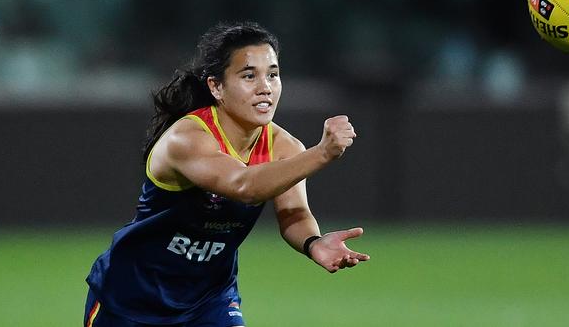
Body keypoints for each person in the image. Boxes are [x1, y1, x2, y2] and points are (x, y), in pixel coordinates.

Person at [84, 21, 370, 327]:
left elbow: (293, 214)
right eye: (249, 75)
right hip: (131, 299)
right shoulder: (188, 138)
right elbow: (244, 184)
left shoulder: (284, 146)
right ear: (216, 87)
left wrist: (313, 242)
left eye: (273, 74)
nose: (266, 87)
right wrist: (322, 152)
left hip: (210, 301)